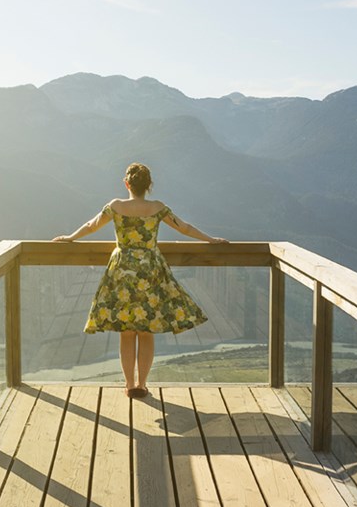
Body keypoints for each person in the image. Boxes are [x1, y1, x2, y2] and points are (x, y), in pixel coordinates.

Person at [53, 163, 227, 398]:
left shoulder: (115, 206)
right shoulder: (158, 208)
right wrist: (210, 239)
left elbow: (91, 225)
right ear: (149, 186)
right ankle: (142, 384)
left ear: (126, 184)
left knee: (126, 331)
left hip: (122, 270)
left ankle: (129, 384)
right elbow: (185, 228)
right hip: (149, 270)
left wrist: (70, 238)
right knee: (146, 331)